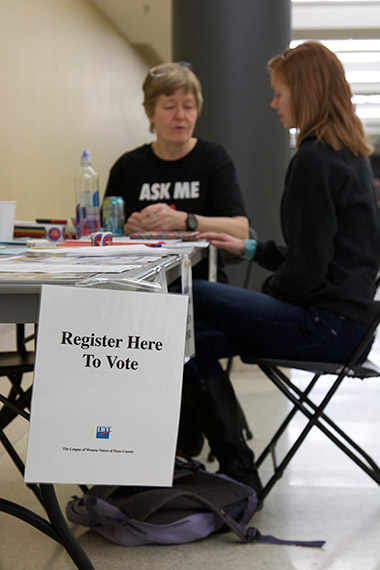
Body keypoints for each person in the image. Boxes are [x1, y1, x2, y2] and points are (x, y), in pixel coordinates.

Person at [182, 41, 380, 496]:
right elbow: (318, 254)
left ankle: (226, 465)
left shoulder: (313, 159)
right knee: (190, 342)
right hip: (350, 326)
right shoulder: (347, 153)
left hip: (326, 325)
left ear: (304, 92)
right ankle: (237, 470)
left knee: (190, 294)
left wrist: (267, 291)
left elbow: (306, 275)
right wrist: (250, 248)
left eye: (278, 92)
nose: (273, 103)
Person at [104, 61, 249, 282]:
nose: (180, 116)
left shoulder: (214, 158)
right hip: (138, 285)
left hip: (201, 284)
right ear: (150, 113)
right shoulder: (127, 166)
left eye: (189, 107)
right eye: (170, 107)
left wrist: (185, 221)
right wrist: (125, 229)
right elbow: (103, 234)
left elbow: (241, 231)